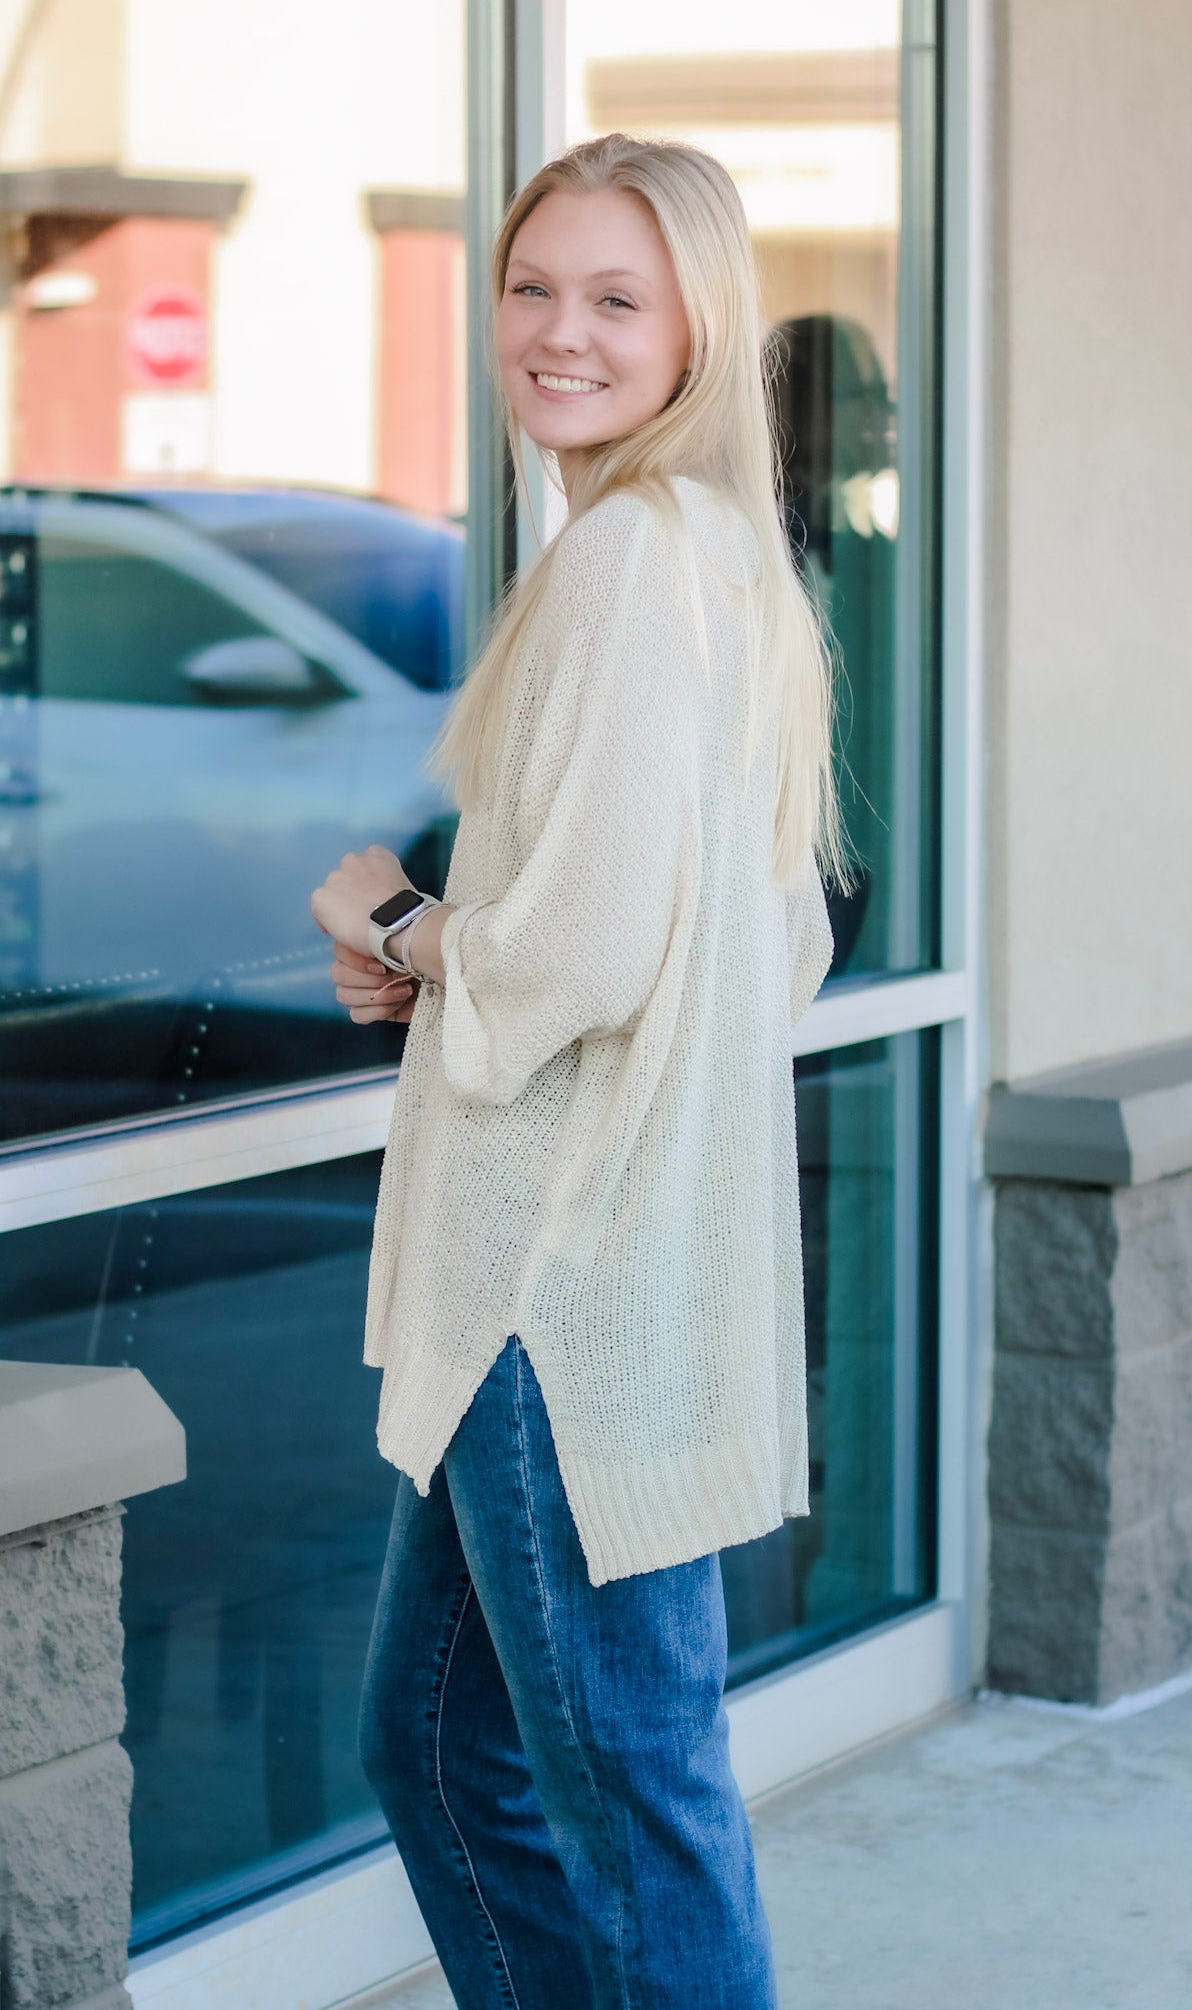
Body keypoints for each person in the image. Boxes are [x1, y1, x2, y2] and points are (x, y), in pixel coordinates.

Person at [310, 131, 848, 2010]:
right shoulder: (723, 561)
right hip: (578, 1288)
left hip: (561, 1291)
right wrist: (474, 959)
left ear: (699, 327)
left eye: (617, 298)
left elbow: (589, 954)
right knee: (442, 1748)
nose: (560, 331)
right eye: (533, 287)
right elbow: (776, 939)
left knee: (626, 1793)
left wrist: (405, 926)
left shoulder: (629, 559)